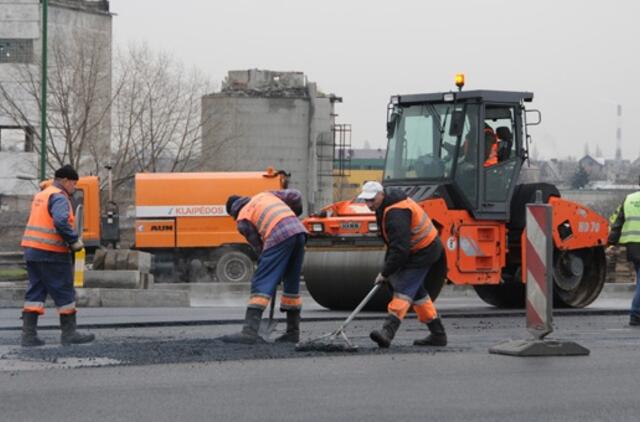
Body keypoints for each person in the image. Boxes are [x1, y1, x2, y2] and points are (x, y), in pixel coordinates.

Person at [358, 181, 447, 348]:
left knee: (403, 289)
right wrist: (387, 270)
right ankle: (438, 335)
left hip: (425, 250)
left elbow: (400, 249)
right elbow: (393, 244)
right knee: (418, 294)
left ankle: (387, 333)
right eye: (366, 200)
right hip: (414, 250)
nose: (368, 204)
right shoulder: (383, 207)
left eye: (371, 200)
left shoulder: (397, 212)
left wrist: (385, 273)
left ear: (381, 195)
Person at [20, 164, 95, 347]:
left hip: (32, 252)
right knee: (64, 292)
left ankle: (28, 336)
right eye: (73, 184)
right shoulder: (59, 197)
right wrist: (73, 241)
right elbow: (60, 220)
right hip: (52, 253)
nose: (74, 188)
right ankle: (69, 334)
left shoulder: (41, 195)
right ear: (65, 181)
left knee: (35, 293)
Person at [221, 189, 307, 344]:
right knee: (291, 283)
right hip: (299, 232)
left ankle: (249, 331)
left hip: (279, 235)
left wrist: (271, 270)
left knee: (261, 281)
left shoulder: (243, 219)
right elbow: (296, 195)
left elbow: (260, 249)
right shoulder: (265, 195)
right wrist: (294, 214)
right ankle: (293, 332)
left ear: (233, 212)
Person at [608, 175, 640, 327]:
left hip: (633, 247)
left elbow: (617, 222)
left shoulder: (629, 199)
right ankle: (635, 313)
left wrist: (611, 243)